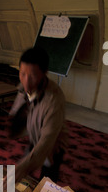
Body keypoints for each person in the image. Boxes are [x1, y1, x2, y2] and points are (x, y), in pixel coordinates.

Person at [6, 46, 67, 184]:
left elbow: (45, 143)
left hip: (53, 144)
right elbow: (19, 107)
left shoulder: (54, 100)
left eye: (32, 76)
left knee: (47, 182)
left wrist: (20, 169)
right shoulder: (24, 87)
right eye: (22, 74)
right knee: (28, 160)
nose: (26, 82)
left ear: (44, 73)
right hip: (35, 133)